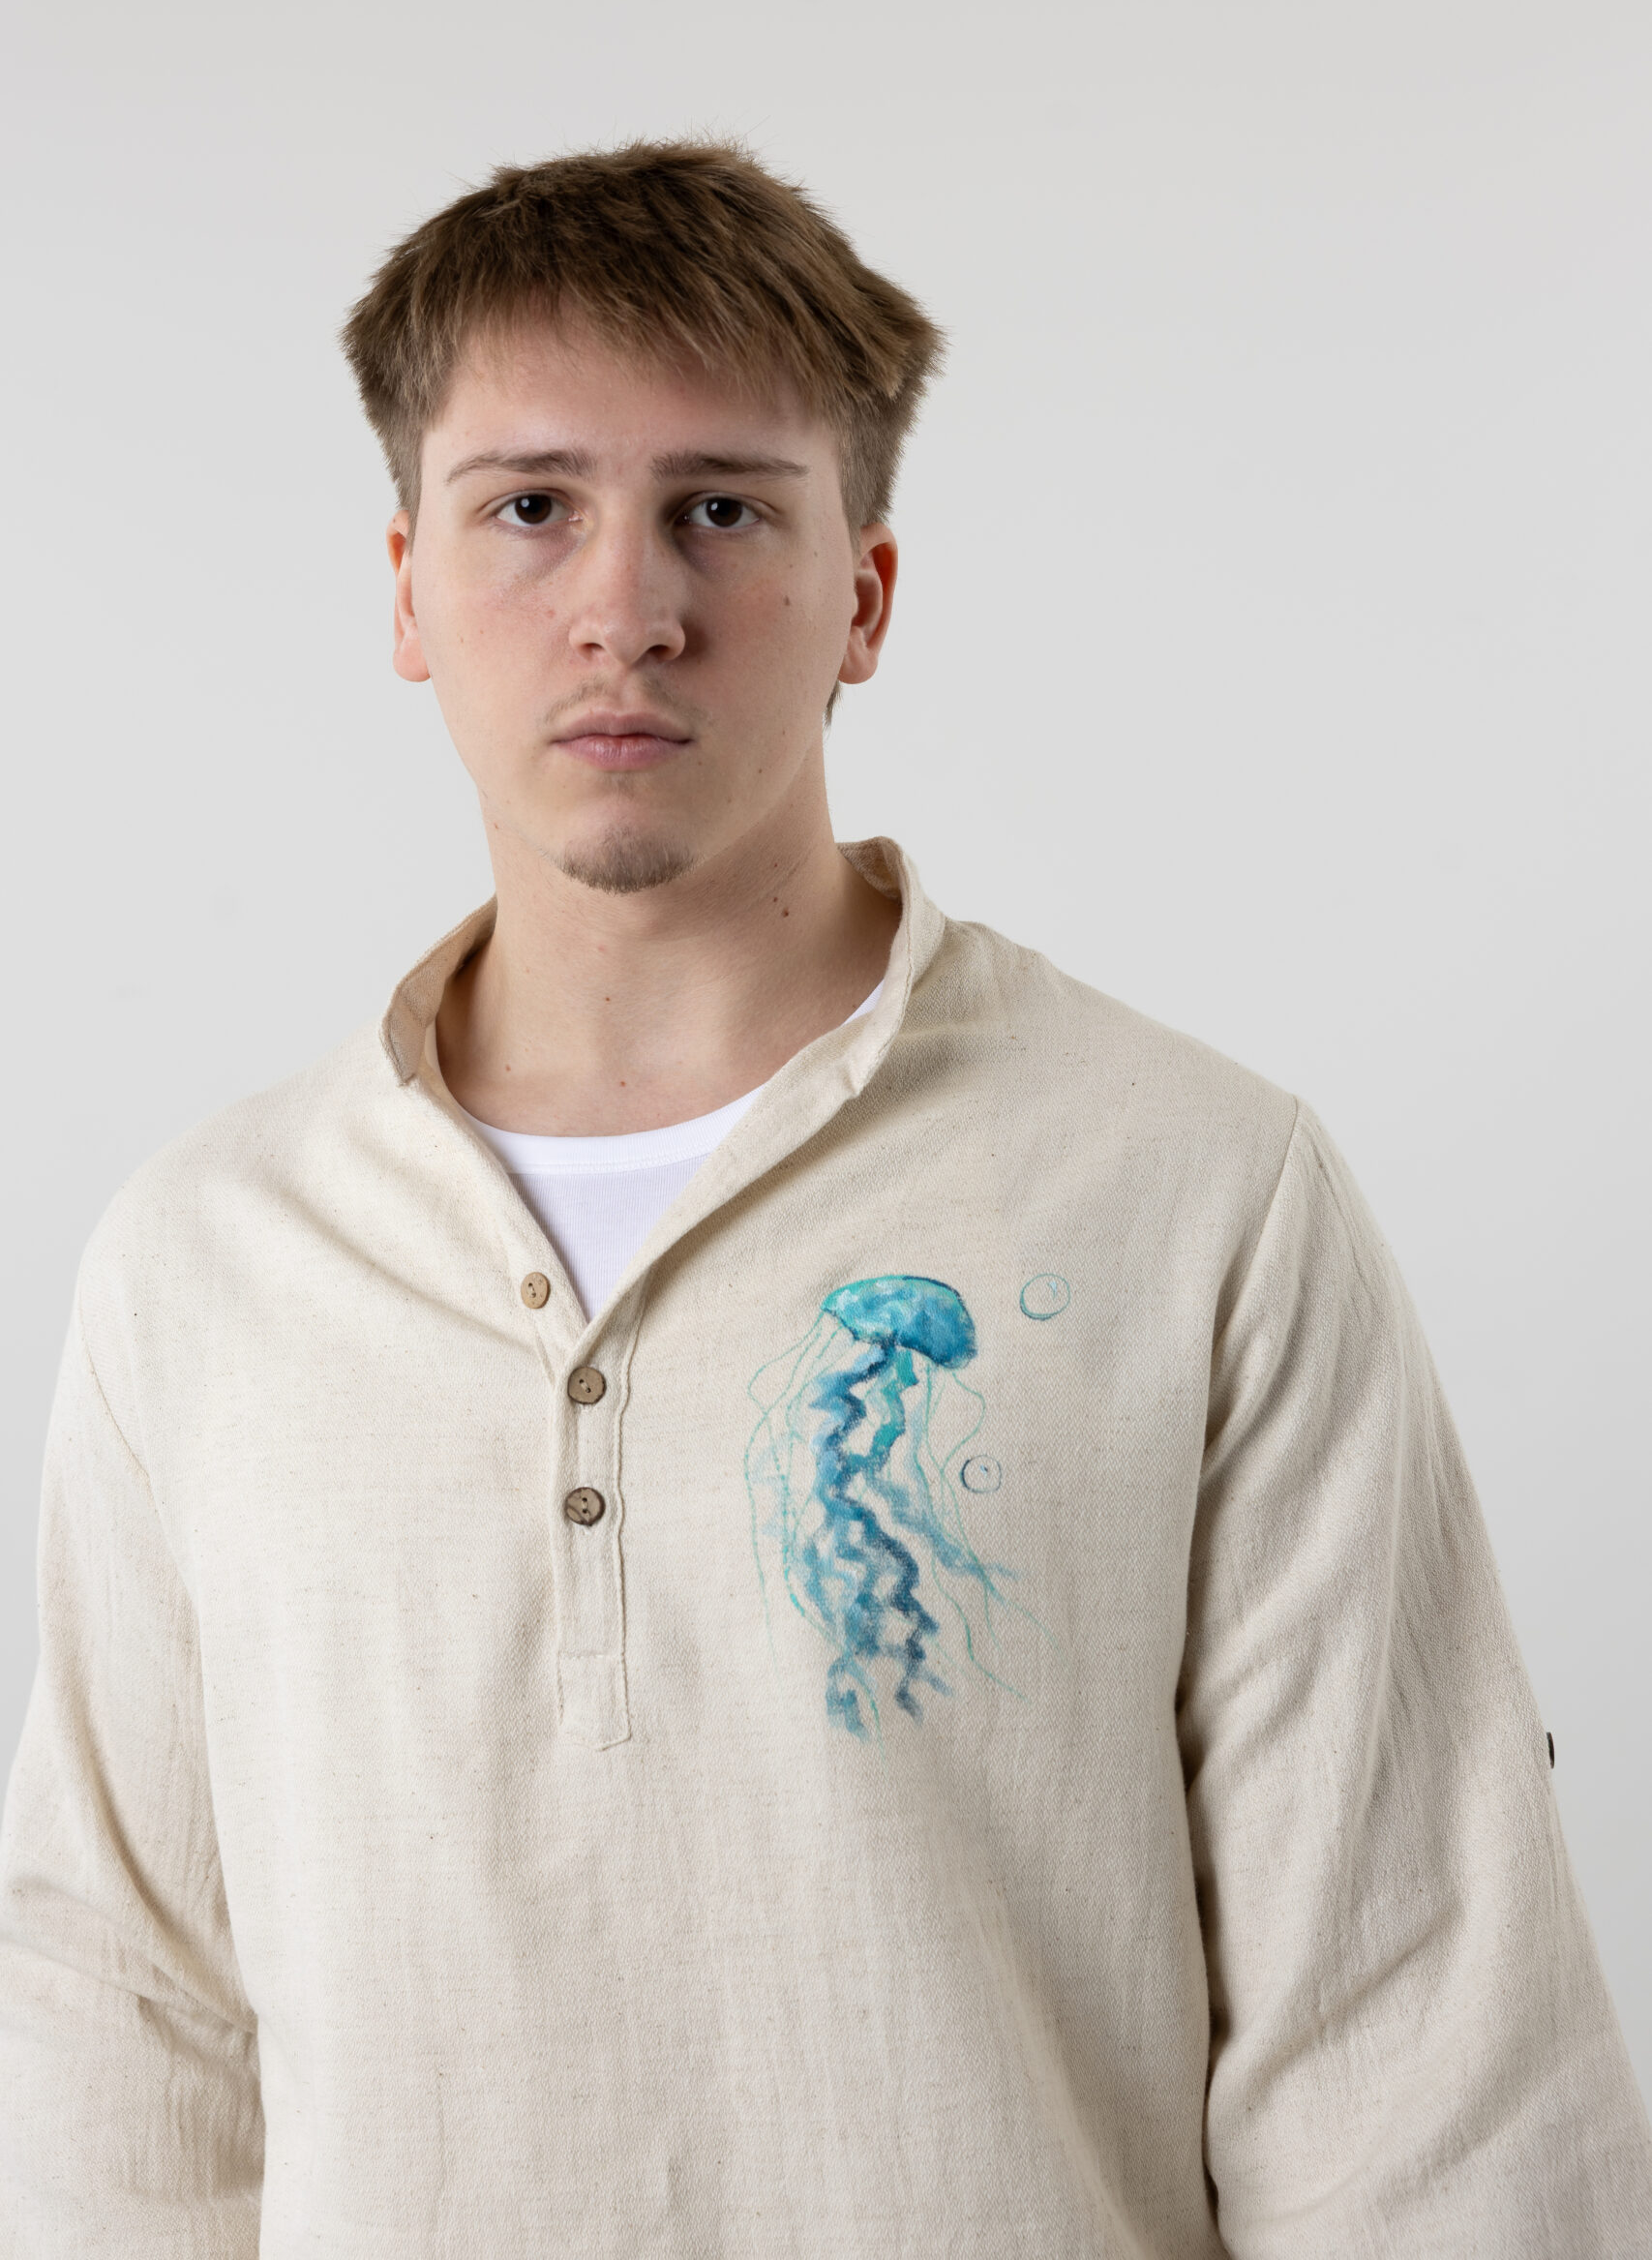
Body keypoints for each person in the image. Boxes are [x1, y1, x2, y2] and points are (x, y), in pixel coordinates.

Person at [0, 140, 1646, 2260]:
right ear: (405, 587)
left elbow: (1416, 2045)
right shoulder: (205, 1262)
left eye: (719, 507)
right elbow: (123, 2040)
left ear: (863, 594)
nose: (626, 607)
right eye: (529, 506)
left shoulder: (1195, 1192)